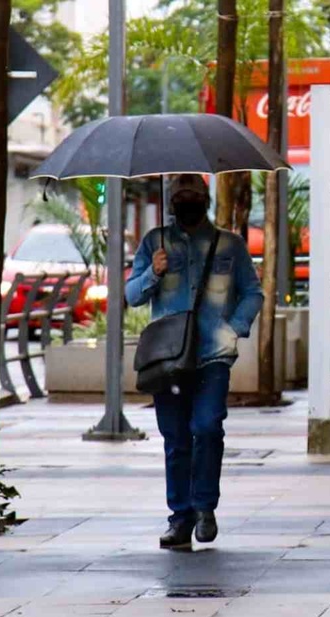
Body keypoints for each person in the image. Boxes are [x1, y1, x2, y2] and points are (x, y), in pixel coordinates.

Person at [126, 174, 264, 550]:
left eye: (194, 194)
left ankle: (205, 507)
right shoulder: (155, 242)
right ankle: (180, 517)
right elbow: (132, 295)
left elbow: (253, 293)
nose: (187, 200)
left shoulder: (230, 245)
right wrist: (153, 271)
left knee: (206, 427)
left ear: (205, 199)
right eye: (180, 195)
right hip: (168, 359)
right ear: (171, 201)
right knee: (175, 438)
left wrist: (233, 329)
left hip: (212, 356)